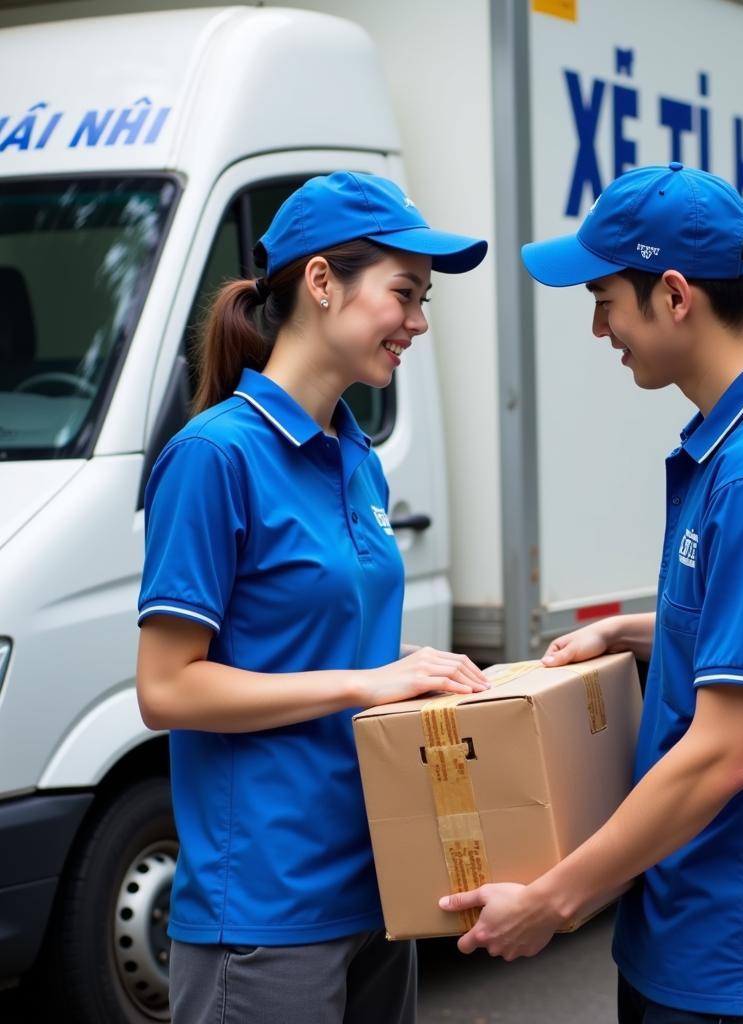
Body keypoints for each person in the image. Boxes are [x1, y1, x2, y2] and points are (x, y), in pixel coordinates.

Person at [440, 162, 743, 1022]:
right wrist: (631, 634)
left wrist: (554, 899)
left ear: (675, 295)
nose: (600, 325)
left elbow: (724, 753)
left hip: (731, 941)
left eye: (605, 297)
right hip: (711, 923)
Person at [135, 171, 489, 1024]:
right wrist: (366, 682)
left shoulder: (355, 455)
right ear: (322, 282)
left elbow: (308, 640)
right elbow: (168, 688)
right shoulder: (214, 457)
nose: (418, 321)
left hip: (378, 886)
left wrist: (413, 667)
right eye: (404, 293)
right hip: (266, 911)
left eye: (424, 298)